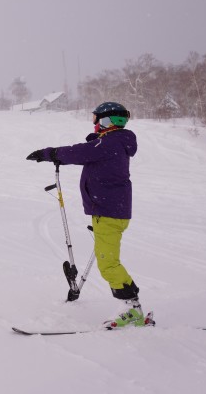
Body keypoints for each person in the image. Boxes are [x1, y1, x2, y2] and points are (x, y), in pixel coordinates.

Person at [26, 102, 149, 328]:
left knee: (108, 264)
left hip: (109, 212)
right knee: (108, 260)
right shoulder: (114, 142)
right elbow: (89, 152)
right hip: (108, 211)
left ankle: (132, 309)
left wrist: (49, 153)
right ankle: (133, 307)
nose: (93, 123)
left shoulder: (110, 142)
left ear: (106, 121)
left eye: (96, 118)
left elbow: (78, 152)